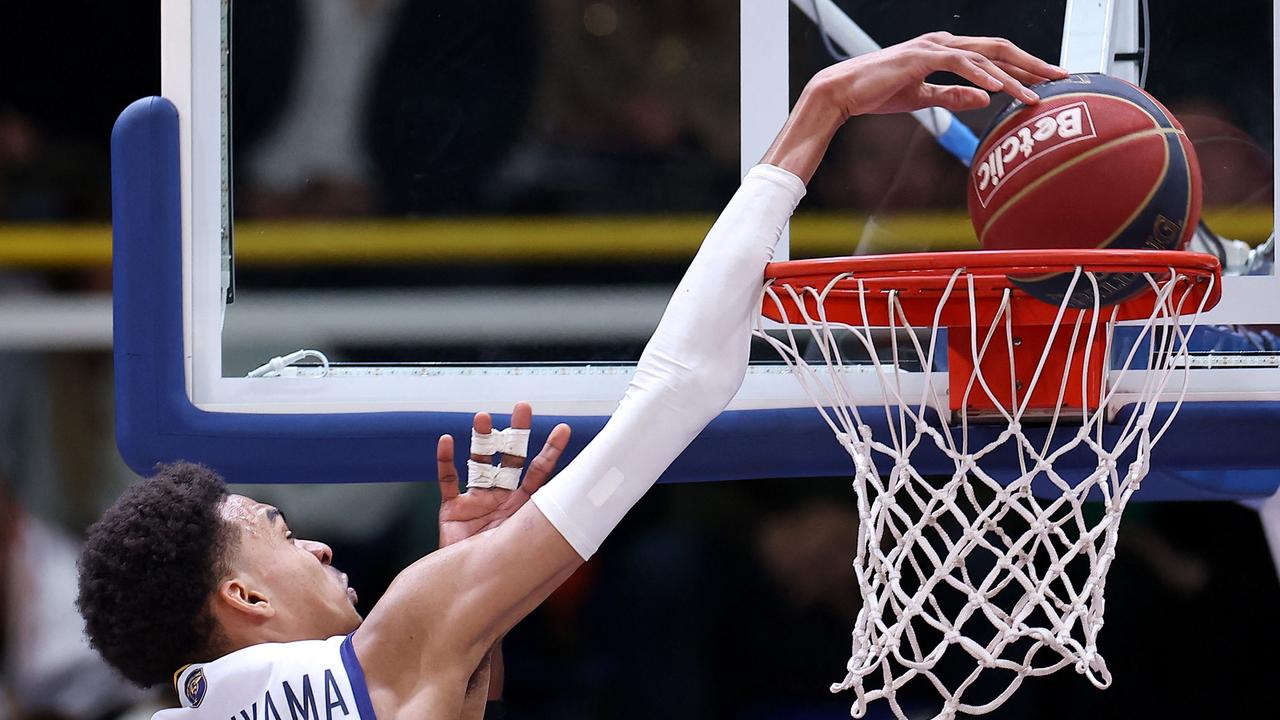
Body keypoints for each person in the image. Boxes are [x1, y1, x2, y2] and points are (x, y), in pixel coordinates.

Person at [75, 33, 1066, 719]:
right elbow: (678, 387)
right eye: (281, 533)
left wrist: (475, 603)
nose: (319, 541)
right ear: (245, 598)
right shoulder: (384, 655)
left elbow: (435, 678)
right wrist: (817, 113)